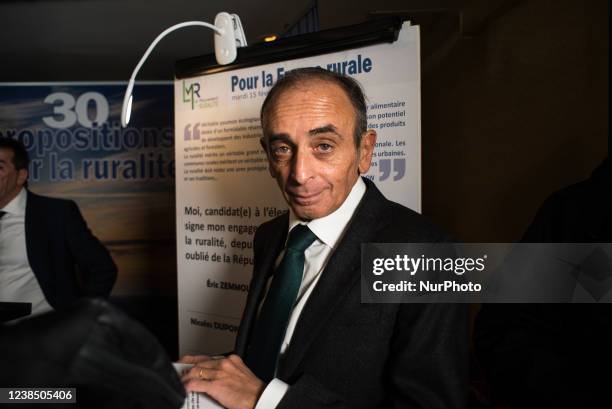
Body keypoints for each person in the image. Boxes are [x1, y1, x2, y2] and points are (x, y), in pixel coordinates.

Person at [180, 68, 469, 409]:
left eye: (324, 146)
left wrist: (264, 399)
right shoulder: (269, 236)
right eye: (283, 148)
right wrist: (216, 375)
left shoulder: (430, 254)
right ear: (268, 156)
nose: (300, 174)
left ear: (365, 150)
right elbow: (278, 353)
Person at [0, 137, 117, 316]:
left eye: (0, 167)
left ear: (21, 176)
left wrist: (79, 319)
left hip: (39, 334)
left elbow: (102, 268)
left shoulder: (55, 214)